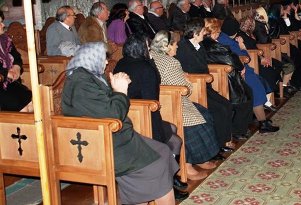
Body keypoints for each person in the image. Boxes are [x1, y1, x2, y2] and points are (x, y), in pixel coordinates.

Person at [62, 42, 178, 205]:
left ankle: (144, 196)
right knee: (155, 166)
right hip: (102, 141)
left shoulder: (91, 76)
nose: (106, 62)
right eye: (103, 59)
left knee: (163, 150)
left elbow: (108, 107)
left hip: (117, 135)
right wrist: (120, 91)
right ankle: (145, 195)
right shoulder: (81, 84)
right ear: (91, 59)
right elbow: (113, 114)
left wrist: (117, 89)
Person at [113, 34, 188, 200]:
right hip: (145, 114)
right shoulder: (145, 67)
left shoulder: (121, 62)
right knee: (175, 141)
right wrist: (151, 61)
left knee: (173, 129)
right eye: (148, 47)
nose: (150, 50)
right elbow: (152, 98)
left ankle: (172, 177)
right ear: (142, 49)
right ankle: (168, 182)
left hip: (129, 116)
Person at [150, 31, 220, 180]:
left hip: (162, 102)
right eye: (175, 45)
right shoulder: (171, 62)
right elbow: (186, 90)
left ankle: (200, 160)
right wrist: (186, 79)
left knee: (204, 113)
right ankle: (186, 166)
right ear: (167, 46)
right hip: (174, 103)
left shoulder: (152, 56)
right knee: (199, 121)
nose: (177, 48)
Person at [175, 19, 235, 150]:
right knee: (219, 110)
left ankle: (224, 141)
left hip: (205, 86)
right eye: (202, 31)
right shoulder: (183, 48)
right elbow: (186, 71)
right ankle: (217, 145)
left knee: (227, 104)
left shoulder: (199, 45)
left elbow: (204, 65)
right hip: (194, 88)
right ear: (195, 33)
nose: (204, 33)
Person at [218, 17, 280, 133]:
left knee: (259, 85)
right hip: (240, 71)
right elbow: (245, 57)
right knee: (257, 90)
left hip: (238, 70)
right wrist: (242, 45)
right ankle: (263, 123)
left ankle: (262, 119)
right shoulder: (230, 42)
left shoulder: (222, 38)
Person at [202, 18, 254, 140]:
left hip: (219, 74)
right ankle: (239, 130)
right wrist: (241, 67)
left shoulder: (204, 43)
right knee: (246, 95)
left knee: (247, 93)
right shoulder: (214, 45)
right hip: (227, 77)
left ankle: (240, 129)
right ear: (213, 31)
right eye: (218, 32)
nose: (219, 34)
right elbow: (230, 59)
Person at [253, 6, 298, 96]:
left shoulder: (264, 23)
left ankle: (285, 85)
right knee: (288, 65)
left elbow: (288, 29)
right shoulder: (260, 25)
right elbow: (265, 40)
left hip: (272, 48)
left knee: (292, 59)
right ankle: (283, 87)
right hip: (267, 51)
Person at [0, 11, 32, 112]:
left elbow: (17, 57)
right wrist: (6, 73)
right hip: (1, 84)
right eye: (0, 22)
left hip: (9, 83)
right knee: (23, 109)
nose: (3, 25)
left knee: (32, 104)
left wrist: (17, 68)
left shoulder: (5, 40)